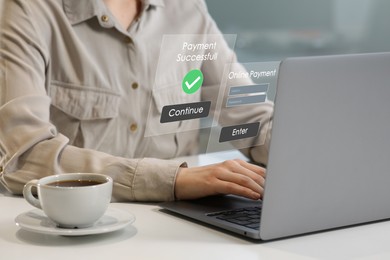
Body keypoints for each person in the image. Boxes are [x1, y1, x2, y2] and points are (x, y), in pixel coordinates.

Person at [0, 0, 273, 202]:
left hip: (180, 226)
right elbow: (22, 155)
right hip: (70, 229)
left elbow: (253, 120)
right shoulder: (27, 10)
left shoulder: (189, 11)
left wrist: (304, 153)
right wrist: (173, 179)